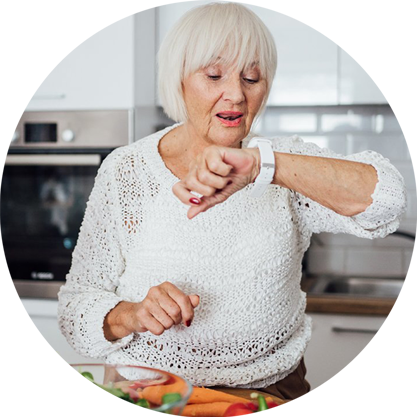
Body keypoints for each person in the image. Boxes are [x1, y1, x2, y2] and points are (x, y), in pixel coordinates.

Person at [57, 3, 406, 417]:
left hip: (267, 395)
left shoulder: (282, 163)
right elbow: (75, 307)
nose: (237, 94)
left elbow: (386, 201)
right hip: (149, 396)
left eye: (252, 77)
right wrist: (132, 313)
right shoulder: (126, 170)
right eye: (214, 75)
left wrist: (264, 165)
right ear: (179, 80)